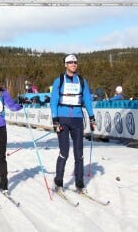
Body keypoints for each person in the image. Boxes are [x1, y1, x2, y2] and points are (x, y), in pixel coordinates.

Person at [50, 54, 95, 191]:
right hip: (62, 119)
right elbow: (53, 101)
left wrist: (92, 117)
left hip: (77, 119)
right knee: (64, 151)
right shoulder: (59, 80)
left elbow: (87, 99)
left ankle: (79, 182)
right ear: (65, 64)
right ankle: (58, 181)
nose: (73, 64)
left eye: (75, 62)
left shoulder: (82, 81)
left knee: (79, 153)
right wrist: (55, 119)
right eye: (70, 62)